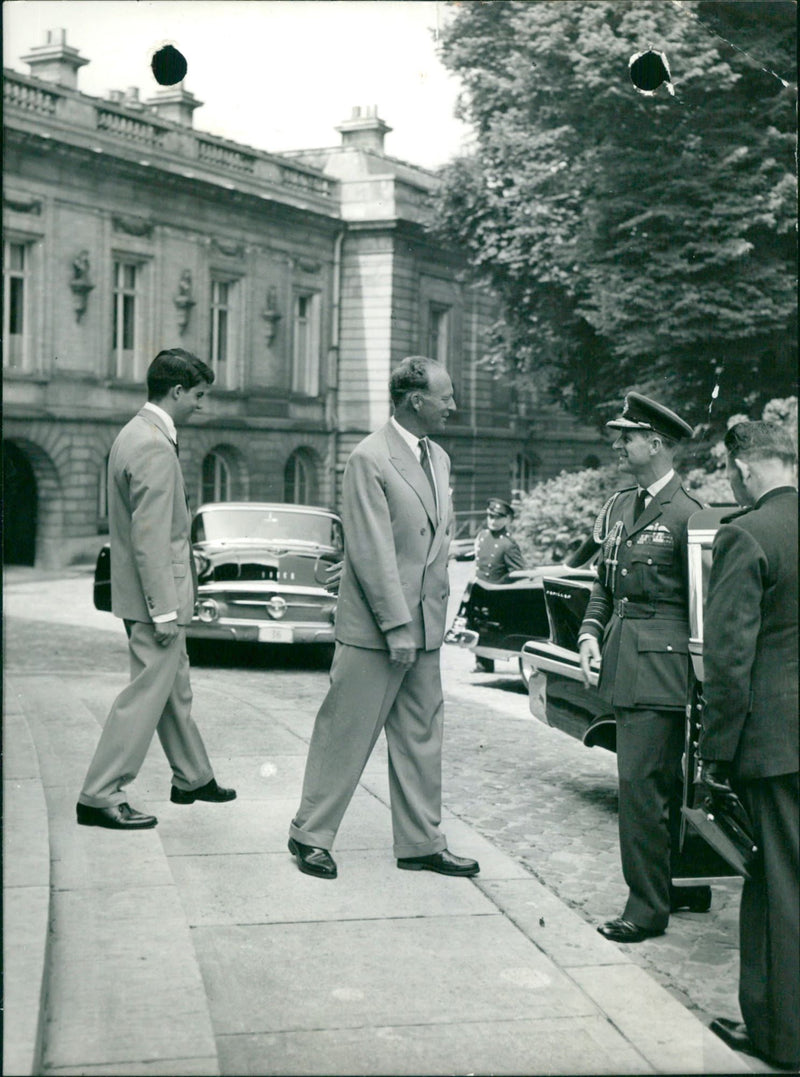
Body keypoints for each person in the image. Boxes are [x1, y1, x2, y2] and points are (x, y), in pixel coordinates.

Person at [288, 356, 479, 880]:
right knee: (346, 733)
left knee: (422, 737)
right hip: (378, 630)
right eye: (446, 397)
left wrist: (432, 619)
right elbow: (370, 550)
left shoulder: (438, 457)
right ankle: (310, 833)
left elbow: (435, 542)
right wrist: (397, 627)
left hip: (426, 627)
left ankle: (421, 842)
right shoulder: (368, 457)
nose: (453, 406)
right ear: (416, 400)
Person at [76, 348, 236, 830]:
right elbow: (150, 538)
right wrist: (164, 610)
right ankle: (100, 793)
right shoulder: (152, 444)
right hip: (156, 601)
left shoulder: (136, 434)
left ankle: (192, 775)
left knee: (172, 687)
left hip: (147, 596)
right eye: (200, 396)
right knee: (147, 694)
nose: (202, 405)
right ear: (177, 391)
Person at [578, 391, 710, 944]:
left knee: (642, 789)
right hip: (624, 662)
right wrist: (588, 632)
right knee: (655, 786)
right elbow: (604, 583)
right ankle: (676, 886)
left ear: (655, 443)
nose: (619, 443)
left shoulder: (689, 515)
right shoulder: (619, 507)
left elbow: (704, 608)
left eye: (627, 436)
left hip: (661, 671)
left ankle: (646, 907)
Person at [696, 421, 798, 1070]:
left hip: (776, 741)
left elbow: (729, 661)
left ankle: (780, 1036)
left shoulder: (747, 533)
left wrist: (715, 756)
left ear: (744, 469)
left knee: (778, 883)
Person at [472, 497, 525, 672]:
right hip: (480, 588)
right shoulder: (482, 536)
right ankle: (481, 662)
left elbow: (518, 571)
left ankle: (487, 661)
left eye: (498, 518)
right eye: (490, 517)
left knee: (491, 627)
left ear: (507, 520)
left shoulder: (508, 544)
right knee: (477, 623)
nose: (493, 521)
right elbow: (478, 558)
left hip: (496, 591)